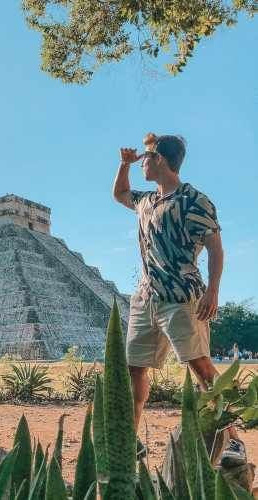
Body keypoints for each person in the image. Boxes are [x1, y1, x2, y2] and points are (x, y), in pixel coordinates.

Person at [112, 132, 246, 467]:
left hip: (182, 297)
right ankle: (128, 438)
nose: (142, 163)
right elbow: (120, 194)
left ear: (160, 159)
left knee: (201, 368)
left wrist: (213, 290)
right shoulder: (146, 201)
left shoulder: (193, 200)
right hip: (146, 298)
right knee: (134, 369)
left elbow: (215, 248)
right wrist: (123, 165)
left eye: (146, 158)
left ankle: (234, 440)